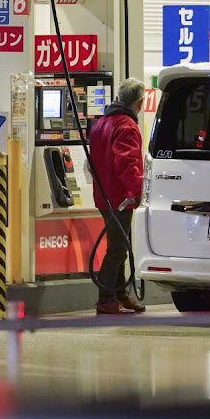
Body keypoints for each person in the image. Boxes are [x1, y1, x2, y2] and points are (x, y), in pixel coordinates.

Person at [89, 77, 146, 315]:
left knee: (121, 245)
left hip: (104, 195)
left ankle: (120, 293)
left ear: (117, 98)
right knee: (117, 249)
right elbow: (127, 162)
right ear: (140, 104)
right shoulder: (126, 126)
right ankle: (105, 298)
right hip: (120, 198)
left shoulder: (101, 123)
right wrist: (138, 190)